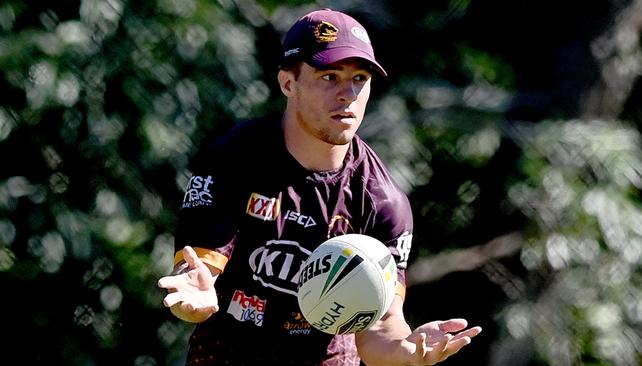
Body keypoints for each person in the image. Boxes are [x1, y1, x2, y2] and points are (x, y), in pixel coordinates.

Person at [157, 8, 482, 366]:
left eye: (360, 78)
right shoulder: (235, 160)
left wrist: (408, 351)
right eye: (329, 76)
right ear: (288, 83)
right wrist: (194, 298)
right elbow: (197, 274)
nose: (348, 94)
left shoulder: (382, 201)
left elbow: (381, 331)